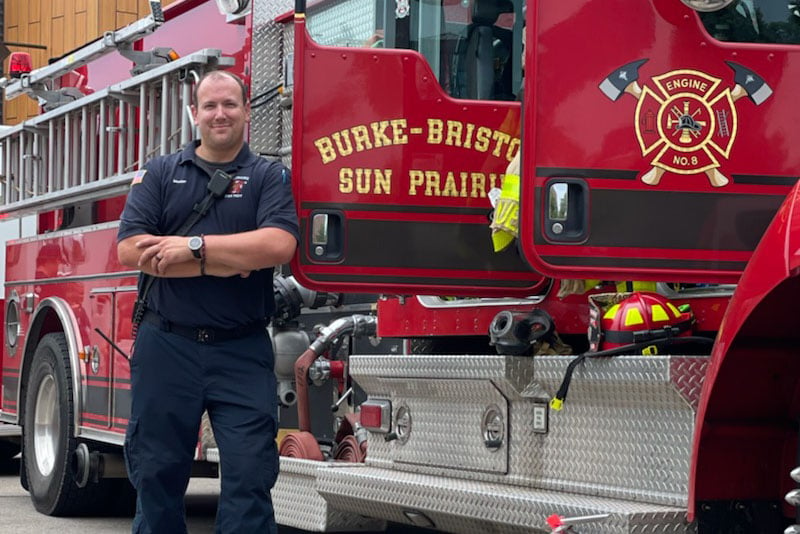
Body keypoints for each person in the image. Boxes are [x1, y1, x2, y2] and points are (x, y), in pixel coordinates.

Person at [116, 69, 299, 534]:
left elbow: (278, 245)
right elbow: (130, 249)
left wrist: (193, 250)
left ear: (245, 113)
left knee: (250, 479)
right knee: (156, 476)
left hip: (240, 351)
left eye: (230, 105)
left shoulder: (268, 176)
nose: (221, 114)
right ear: (194, 113)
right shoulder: (160, 173)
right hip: (166, 346)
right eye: (211, 105)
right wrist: (232, 257)